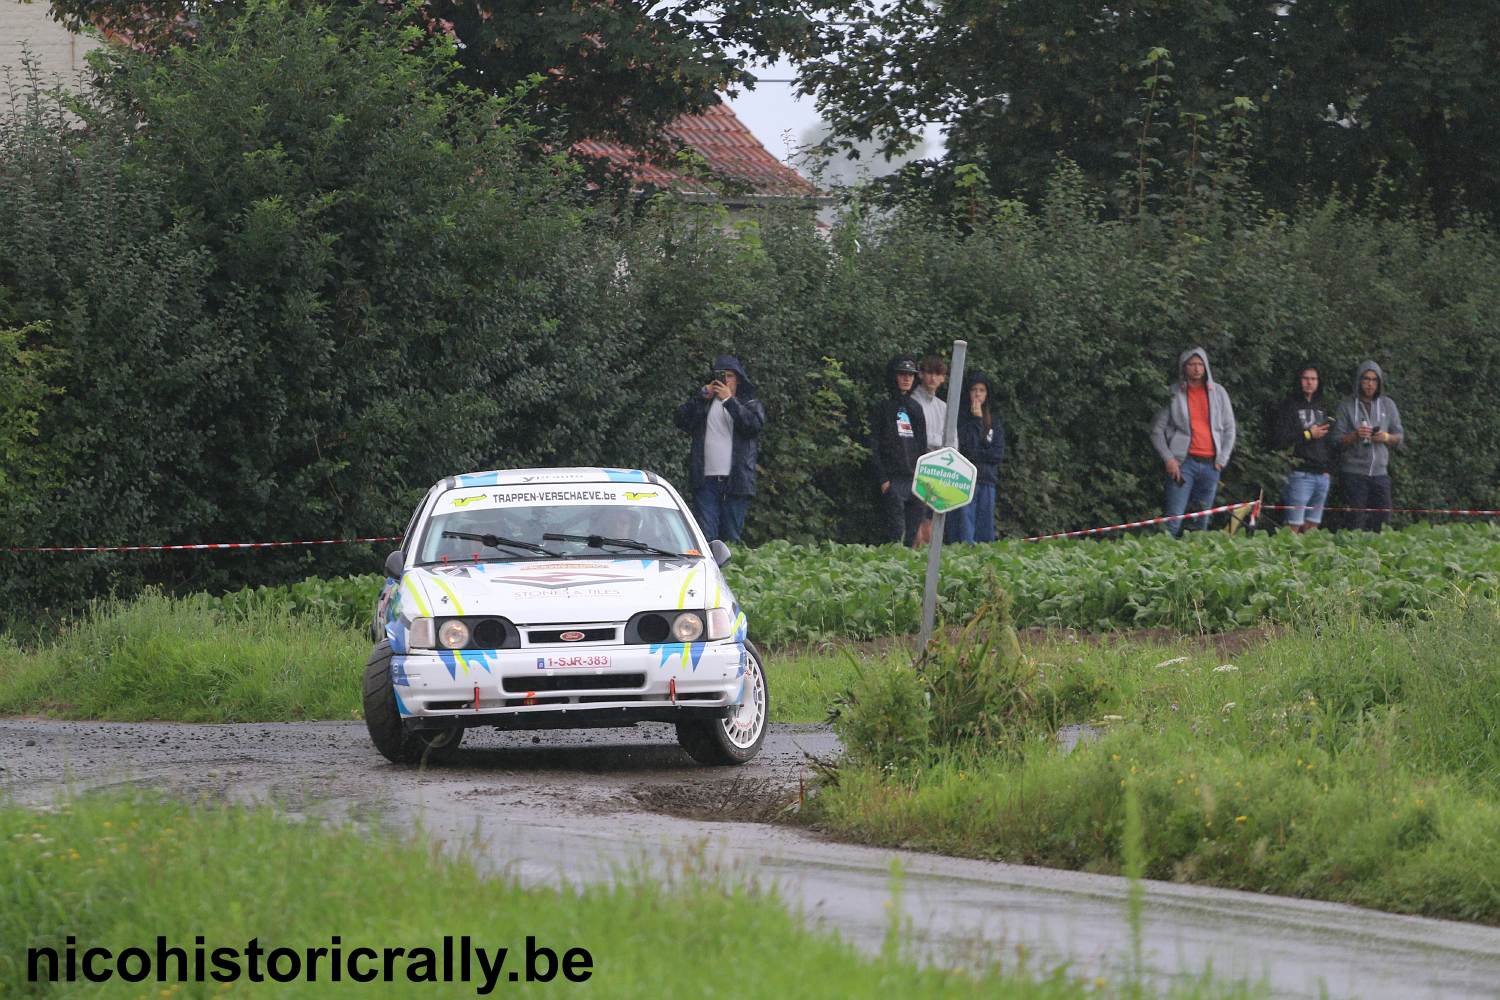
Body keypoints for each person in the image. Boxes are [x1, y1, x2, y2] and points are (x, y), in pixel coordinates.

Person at [673, 355, 766, 543]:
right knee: (707, 536)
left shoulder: (749, 404)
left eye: (730, 376)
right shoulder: (704, 403)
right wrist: (699, 397)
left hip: (736, 480)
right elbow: (680, 420)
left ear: (738, 379)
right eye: (721, 376)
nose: (725, 380)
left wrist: (729, 401)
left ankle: (732, 572)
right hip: (706, 480)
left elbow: (752, 427)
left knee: (731, 537)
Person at [1150, 347, 1237, 537]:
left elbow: (1229, 428)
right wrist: (1169, 459)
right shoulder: (1173, 393)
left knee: (1201, 521)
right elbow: (1157, 431)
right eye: (1192, 364)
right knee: (1174, 518)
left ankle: (1195, 562)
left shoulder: (1219, 393)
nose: (1197, 368)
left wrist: (1222, 459)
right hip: (1183, 465)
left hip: (1211, 466)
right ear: (1183, 367)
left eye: (1200, 364)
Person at [1333, 360, 1405, 532]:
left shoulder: (1388, 405)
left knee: (1383, 520)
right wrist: (1356, 435)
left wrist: (1386, 437)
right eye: (1366, 379)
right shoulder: (1346, 406)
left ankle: (1379, 556)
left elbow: (1400, 437)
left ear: (1379, 383)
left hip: (1380, 473)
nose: (1370, 384)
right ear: (1359, 381)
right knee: (1355, 522)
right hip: (1353, 473)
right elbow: (1336, 440)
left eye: (1374, 380)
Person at [869, 355, 928, 546]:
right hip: (893, 480)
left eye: (910, 375)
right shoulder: (882, 408)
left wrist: (924, 481)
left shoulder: (916, 409)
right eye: (902, 374)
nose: (906, 379)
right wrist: (883, 479)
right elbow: (874, 445)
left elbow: (922, 445)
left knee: (911, 538)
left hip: (915, 480)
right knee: (894, 535)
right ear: (893, 376)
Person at [1271, 363, 1335, 533]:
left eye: (1313, 379)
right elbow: (1281, 440)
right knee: (1294, 524)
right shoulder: (1289, 405)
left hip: (1322, 474)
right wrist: (1307, 434)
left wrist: (1329, 470)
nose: (1309, 382)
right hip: (1299, 473)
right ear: (1299, 380)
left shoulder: (1323, 406)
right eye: (1306, 378)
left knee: (1313, 525)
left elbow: (1330, 441)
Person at [953, 371, 1006, 543]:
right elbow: (966, 450)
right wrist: (976, 420)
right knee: (965, 529)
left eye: (982, 390)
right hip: (965, 480)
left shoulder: (994, 421)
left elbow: (997, 453)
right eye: (974, 389)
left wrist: (979, 454)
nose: (977, 394)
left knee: (985, 530)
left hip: (987, 480)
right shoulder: (961, 418)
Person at [910, 355, 948, 545]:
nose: (933, 378)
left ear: (943, 378)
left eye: (937, 374)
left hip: (939, 471)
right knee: (916, 523)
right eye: (929, 373)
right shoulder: (913, 401)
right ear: (921, 375)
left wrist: (938, 444)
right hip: (918, 468)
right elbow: (919, 438)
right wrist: (938, 443)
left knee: (931, 524)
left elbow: (952, 442)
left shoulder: (943, 407)